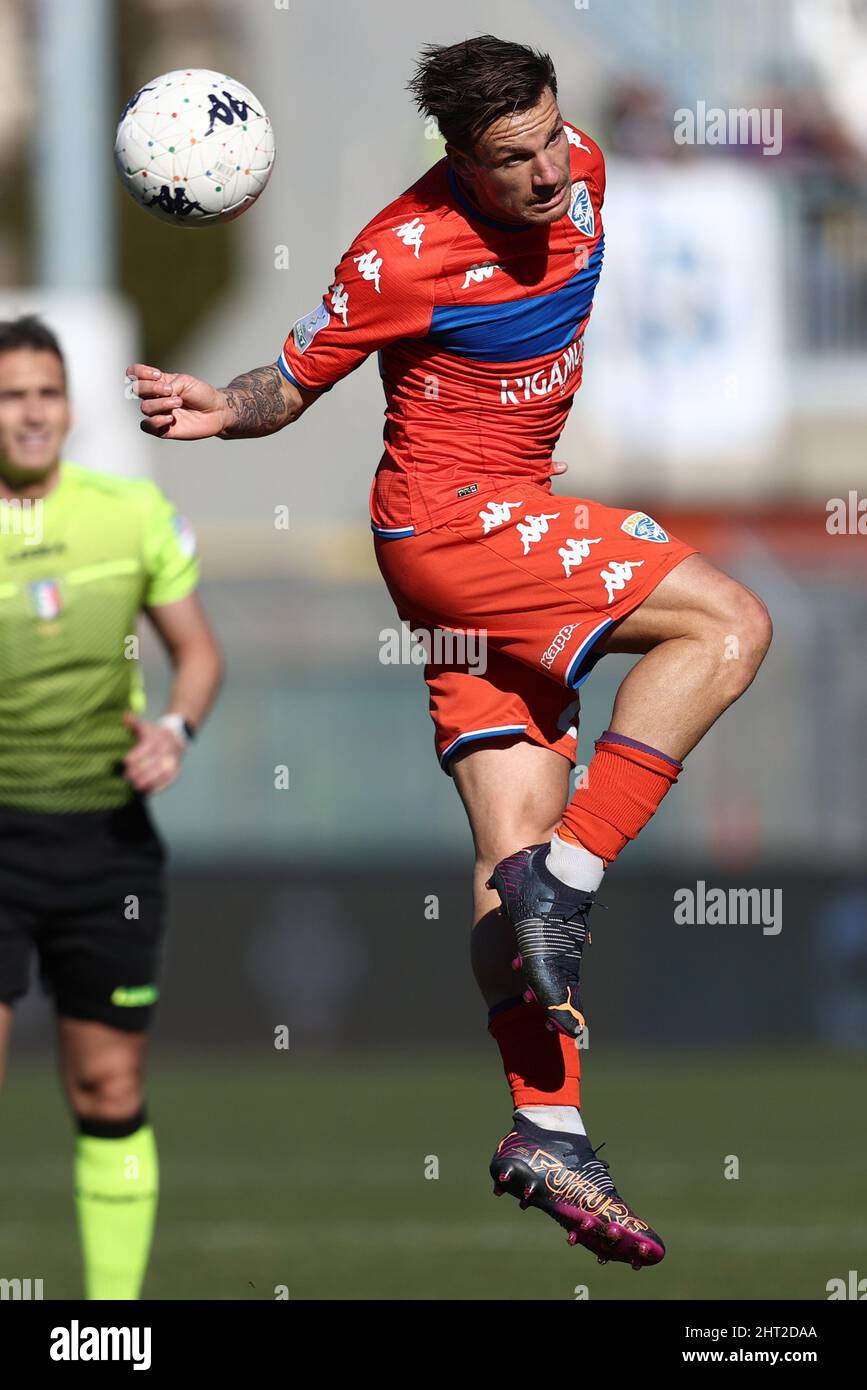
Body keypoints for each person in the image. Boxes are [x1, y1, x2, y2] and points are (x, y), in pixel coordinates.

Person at [127, 35, 771, 1270]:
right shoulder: (399, 251)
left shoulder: (582, 162)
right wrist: (224, 406)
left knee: (505, 855)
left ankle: (548, 1126)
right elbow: (297, 377)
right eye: (506, 159)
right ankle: (574, 886)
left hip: (480, 550)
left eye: (544, 137)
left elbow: (567, 170)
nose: (540, 172)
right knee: (729, 622)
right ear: (457, 164)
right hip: (454, 525)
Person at [0, 315, 223, 1298]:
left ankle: (111, 1325)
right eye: (10, 395)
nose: (30, 412)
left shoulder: (130, 511)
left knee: (110, 1088)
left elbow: (200, 655)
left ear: (71, 407)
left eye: (45, 392)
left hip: (107, 846)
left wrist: (174, 729)